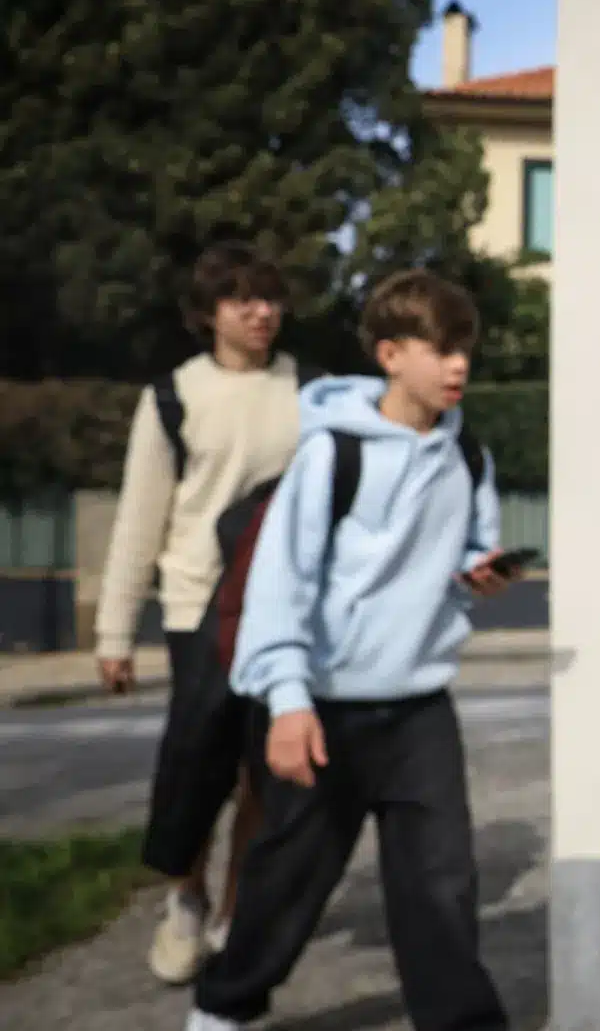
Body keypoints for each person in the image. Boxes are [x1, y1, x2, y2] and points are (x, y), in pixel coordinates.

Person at [185, 269, 517, 1031]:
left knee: (442, 884)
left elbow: (468, 555)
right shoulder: (333, 455)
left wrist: (477, 576)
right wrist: (290, 703)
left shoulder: (469, 457)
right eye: (441, 349)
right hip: (326, 706)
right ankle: (222, 1011)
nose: (459, 365)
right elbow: (281, 584)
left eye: (465, 348)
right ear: (391, 354)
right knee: (287, 881)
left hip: (419, 708)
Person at [93, 241, 307, 984]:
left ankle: (234, 909)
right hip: (196, 609)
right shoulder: (173, 398)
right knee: (195, 768)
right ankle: (187, 895)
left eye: (270, 298)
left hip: (283, 606)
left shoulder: (309, 392)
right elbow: (138, 519)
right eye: (242, 300)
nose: (260, 313)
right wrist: (114, 632)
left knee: (264, 772)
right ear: (208, 313)